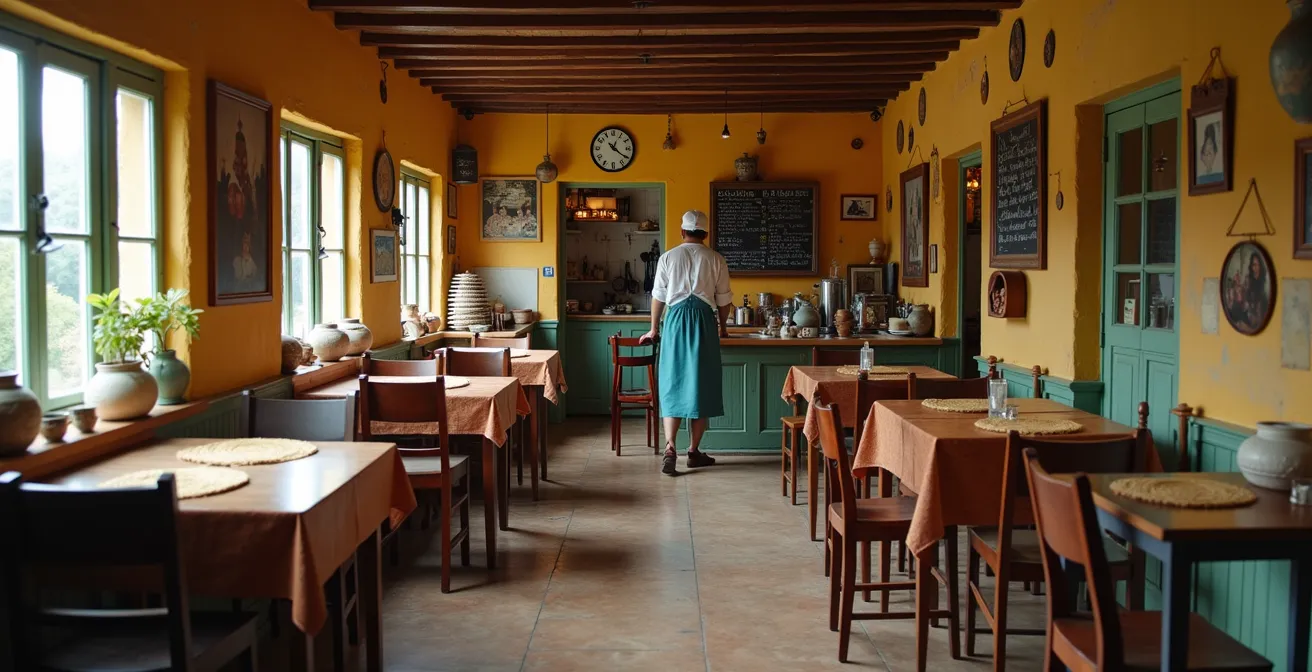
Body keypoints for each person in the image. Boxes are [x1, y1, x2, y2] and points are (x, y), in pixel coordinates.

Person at [640, 210, 732, 475]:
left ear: (682, 232)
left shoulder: (668, 257)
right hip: (704, 322)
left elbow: (658, 297)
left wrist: (653, 328)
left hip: (676, 321)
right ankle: (693, 451)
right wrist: (723, 327)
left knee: (673, 381)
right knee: (702, 384)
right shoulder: (716, 259)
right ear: (705, 233)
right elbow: (724, 300)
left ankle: (670, 447)